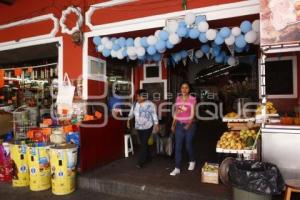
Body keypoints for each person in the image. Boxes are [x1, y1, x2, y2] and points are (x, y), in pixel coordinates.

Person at [127, 89, 159, 168]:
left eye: (139, 96)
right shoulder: (135, 104)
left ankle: (140, 162)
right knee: (143, 143)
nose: (138, 97)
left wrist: (156, 124)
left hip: (148, 126)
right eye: (137, 96)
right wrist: (128, 121)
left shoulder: (150, 104)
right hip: (138, 127)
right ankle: (149, 157)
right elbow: (131, 114)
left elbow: (154, 114)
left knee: (143, 144)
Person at [170, 82, 197, 176]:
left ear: (189, 89)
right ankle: (177, 167)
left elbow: (193, 113)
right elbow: (177, 112)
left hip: (191, 125)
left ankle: (192, 160)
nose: (184, 89)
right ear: (180, 89)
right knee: (178, 146)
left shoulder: (192, 99)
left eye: (186, 88)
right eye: (182, 88)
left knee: (188, 145)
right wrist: (173, 124)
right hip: (179, 125)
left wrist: (189, 124)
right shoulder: (178, 98)